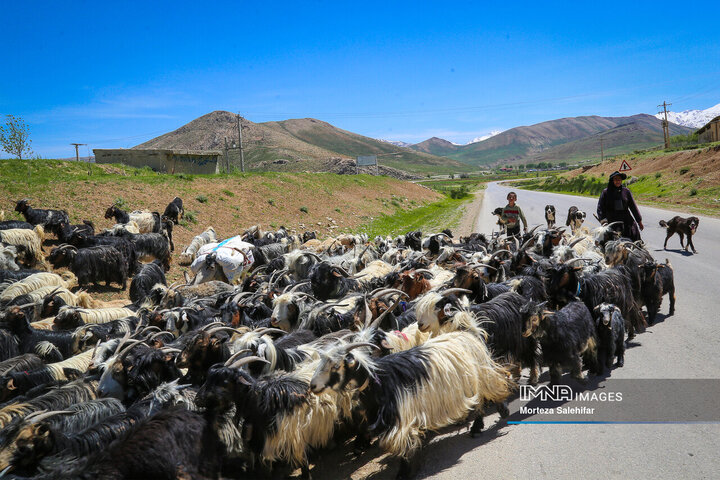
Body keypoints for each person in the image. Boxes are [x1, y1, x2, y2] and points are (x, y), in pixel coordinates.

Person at [597, 171, 644, 241]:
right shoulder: (606, 192)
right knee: (608, 242)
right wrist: (603, 221)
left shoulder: (626, 191)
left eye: (619, 179)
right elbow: (600, 208)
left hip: (626, 220)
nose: (618, 181)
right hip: (611, 221)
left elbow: (633, 207)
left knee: (635, 236)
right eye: (615, 179)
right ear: (612, 181)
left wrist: (639, 221)